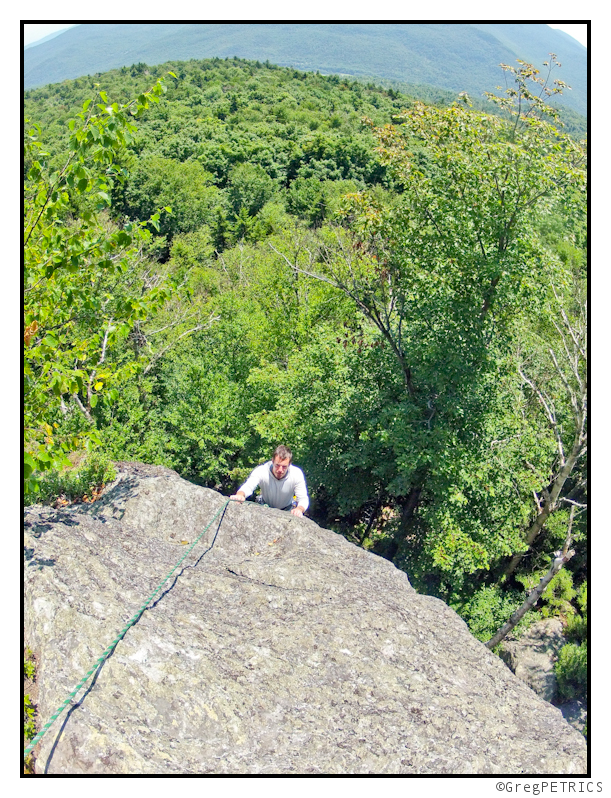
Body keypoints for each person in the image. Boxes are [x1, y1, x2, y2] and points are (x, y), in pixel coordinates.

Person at [230, 445, 309, 517]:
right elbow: (249, 486)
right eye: (277, 465)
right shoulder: (262, 470)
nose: (280, 470)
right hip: (264, 507)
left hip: (287, 510)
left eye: (284, 467)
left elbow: (303, 498)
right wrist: (240, 495)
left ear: (289, 464)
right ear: (272, 461)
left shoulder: (296, 474)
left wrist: (299, 509)